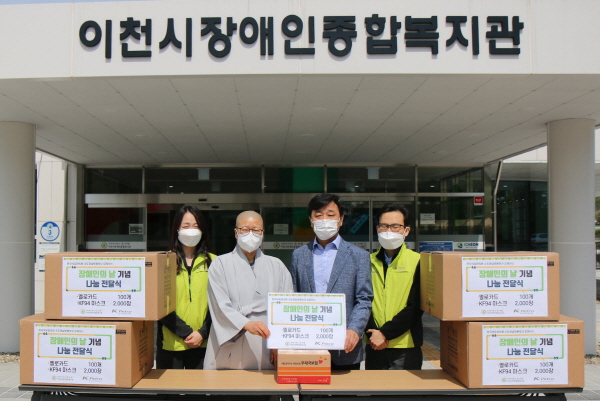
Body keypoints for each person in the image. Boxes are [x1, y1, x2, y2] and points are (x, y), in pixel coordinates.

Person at [289, 193, 372, 370]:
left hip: (345, 347)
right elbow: (293, 297)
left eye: (330, 214)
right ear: (311, 220)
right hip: (308, 346)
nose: (324, 219)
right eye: (318, 215)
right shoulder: (299, 256)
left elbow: (364, 299)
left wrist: (354, 330)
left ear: (341, 220)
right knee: (309, 396)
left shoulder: (359, 256)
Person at [203, 210, 293, 370]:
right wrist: (245, 324)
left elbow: (286, 308)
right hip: (233, 338)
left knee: (263, 390)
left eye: (256, 230)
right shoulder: (220, 264)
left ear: (263, 233)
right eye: (245, 229)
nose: (250, 234)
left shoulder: (277, 265)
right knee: (230, 389)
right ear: (236, 233)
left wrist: (279, 343)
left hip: (266, 339)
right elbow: (219, 306)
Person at [365, 203, 423, 370]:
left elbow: (416, 307)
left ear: (406, 231)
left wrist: (385, 333)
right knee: (375, 394)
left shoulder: (418, 261)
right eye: (384, 226)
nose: (389, 231)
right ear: (377, 229)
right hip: (374, 343)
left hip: (406, 345)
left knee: (403, 395)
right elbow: (362, 300)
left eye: (395, 226)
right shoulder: (367, 261)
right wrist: (374, 333)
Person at [156, 205, 215, 369]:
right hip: (171, 343)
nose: (191, 231)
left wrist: (202, 333)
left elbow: (220, 304)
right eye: (186, 226)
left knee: (198, 392)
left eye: (196, 226)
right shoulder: (163, 262)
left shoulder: (216, 262)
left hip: (204, 343)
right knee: (169, 393)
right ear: (176, 229)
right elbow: (159, 304)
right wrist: (186, 333)